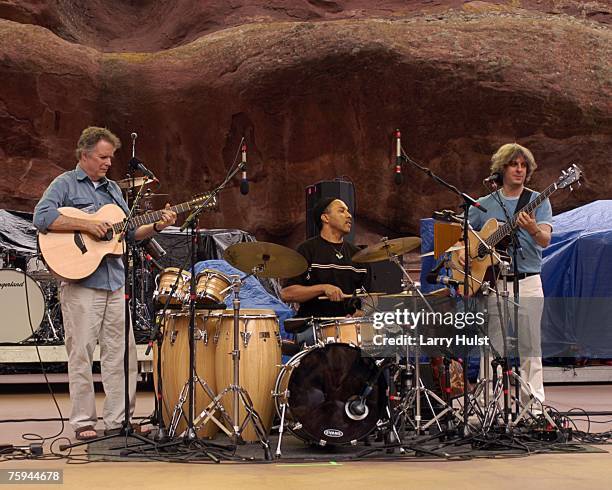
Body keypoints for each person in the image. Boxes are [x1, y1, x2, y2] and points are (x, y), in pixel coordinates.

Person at [33, 127, 177, 440]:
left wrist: (155, 224)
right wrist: (87, 224)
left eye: (110, 156)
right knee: (81, 353)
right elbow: (42, 217)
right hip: (82, 282)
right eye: (102, 156)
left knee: (122, 354)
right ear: (83, 155)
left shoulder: (113, 190)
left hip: (114, 282)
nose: (108, 162)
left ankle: (119, 420)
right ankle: (84, 421)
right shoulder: (65, 184)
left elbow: (128, 232)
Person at [460, 143, 552, 404]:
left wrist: (533, 229)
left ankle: (532, 407)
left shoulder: (538, 200)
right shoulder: (484, 204)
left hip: (529, 281)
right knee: (493, 348)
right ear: (502, 168)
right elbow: (463, 239)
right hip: (495, 283)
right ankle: (491, 405)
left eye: (524, 165)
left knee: (530, 348)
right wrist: (468, 253)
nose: (519, 170)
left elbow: (545, 240)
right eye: (514, 164)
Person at [281, 198, 370, 343]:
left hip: (350, 327)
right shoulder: (307, 250)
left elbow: (372, 297)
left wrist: (362, 312)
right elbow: (287, 293)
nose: (349, 215)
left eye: (348, 211)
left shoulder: (358, 255)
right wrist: (323, 288)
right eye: (342, 211)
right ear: (325, 217)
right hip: (313, 326)